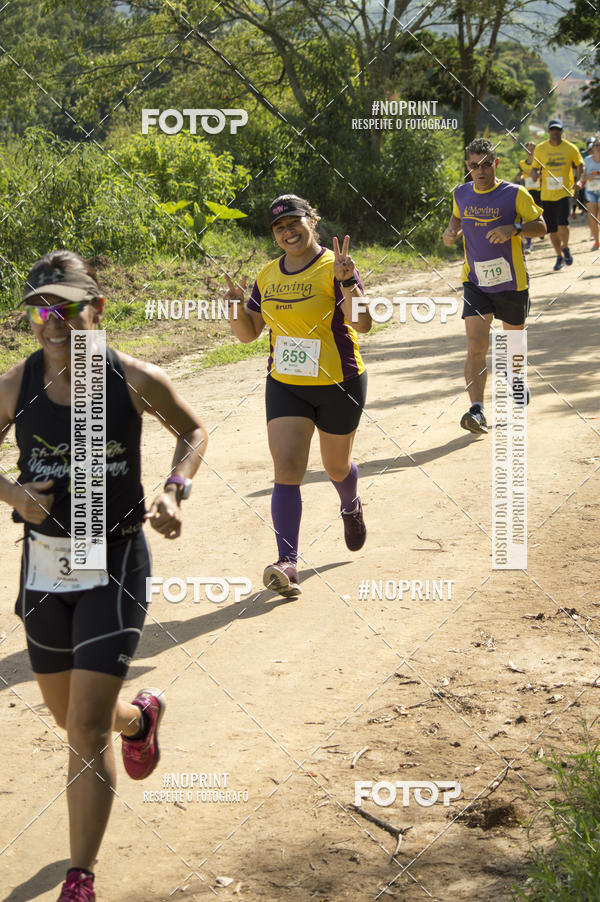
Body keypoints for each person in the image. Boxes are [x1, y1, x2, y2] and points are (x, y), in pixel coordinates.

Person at [0, 251, 207, 901]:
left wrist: (175, 489)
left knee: (84, 730)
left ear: (98, 308)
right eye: (42, 308)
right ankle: (140, 720)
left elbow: (194, 430)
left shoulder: (133, 379)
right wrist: (12, 495)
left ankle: (79, 878)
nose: (54, 320)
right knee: (75, 720)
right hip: (44, 566)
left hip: (114, 559)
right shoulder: (16, 386)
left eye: (68, 306)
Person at [224, 194, 372, 597]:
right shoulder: (268, 275)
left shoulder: (334, 266)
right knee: (287, 468)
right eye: (279, 227)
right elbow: (248, 333)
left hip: (338, 383)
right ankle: (287, 562)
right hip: (287, 384)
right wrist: (237, 308)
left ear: (311, 221)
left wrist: (346, 282)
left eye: (294, 222)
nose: (287, 231)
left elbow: (363, 323)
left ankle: (350, 504)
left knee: (336, 467)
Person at [442, 138, 546, 435]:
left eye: (487, 164)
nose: (481, 171)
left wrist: (513, 228)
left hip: (512, 282)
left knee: (512, 343)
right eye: (475, 166)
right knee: (476, 345)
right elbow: (457, 216)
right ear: (468, 167)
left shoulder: (515, 194)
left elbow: (541, 227)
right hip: (475, 281)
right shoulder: (460, 193)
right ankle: (477, 410)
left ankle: (516, 378)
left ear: (496, 163)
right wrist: (451, 231)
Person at [531, 119, 584, 270]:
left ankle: (566, 247)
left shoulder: (570, 148)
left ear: (561, 131)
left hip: (564, 192)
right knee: (552, 229)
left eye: (558, 130)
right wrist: (534, 174)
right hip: (547, 195)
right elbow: (535, 168)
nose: (555, 132)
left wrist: (579, 180)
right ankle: (559, 256)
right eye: (553, 129)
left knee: (563, 222)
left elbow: (580, 165)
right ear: (549, 131)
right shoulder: (540, 149)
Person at [513, 141, 542, 252]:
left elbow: (545, 175)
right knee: (527, 218)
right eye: (527, 148)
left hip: (540, 192)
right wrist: (518, 177)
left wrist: (537, 176)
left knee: (540, 215)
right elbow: (519, 174)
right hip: (528, 192)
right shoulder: (522, 163)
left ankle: (541, 229)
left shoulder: (539, 162)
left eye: (532, 148)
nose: (530, 151)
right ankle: (529, 244)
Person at [582, 136, 600, 250]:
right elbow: (582, 176)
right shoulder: (587, 160)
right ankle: (597, 241)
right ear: (592, 148)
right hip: (590, 191)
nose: (599, 148)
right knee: (592, 217)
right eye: (597, 146)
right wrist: (586, 177)